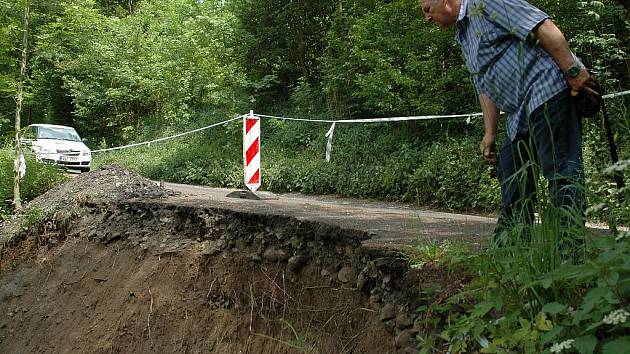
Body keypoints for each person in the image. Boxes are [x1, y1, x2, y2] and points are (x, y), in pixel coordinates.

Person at [420, 0, 599, 244]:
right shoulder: (462, 35)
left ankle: (567, 250)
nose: (427, 18)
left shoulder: (486, 3)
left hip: (546, 90)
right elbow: (483, 85)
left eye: (427, 9)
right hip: (518, 114)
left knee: (562, 174)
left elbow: (542, 26)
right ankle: (510, 250)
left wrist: (573, 71)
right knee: (513, 176)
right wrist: (489, 132)